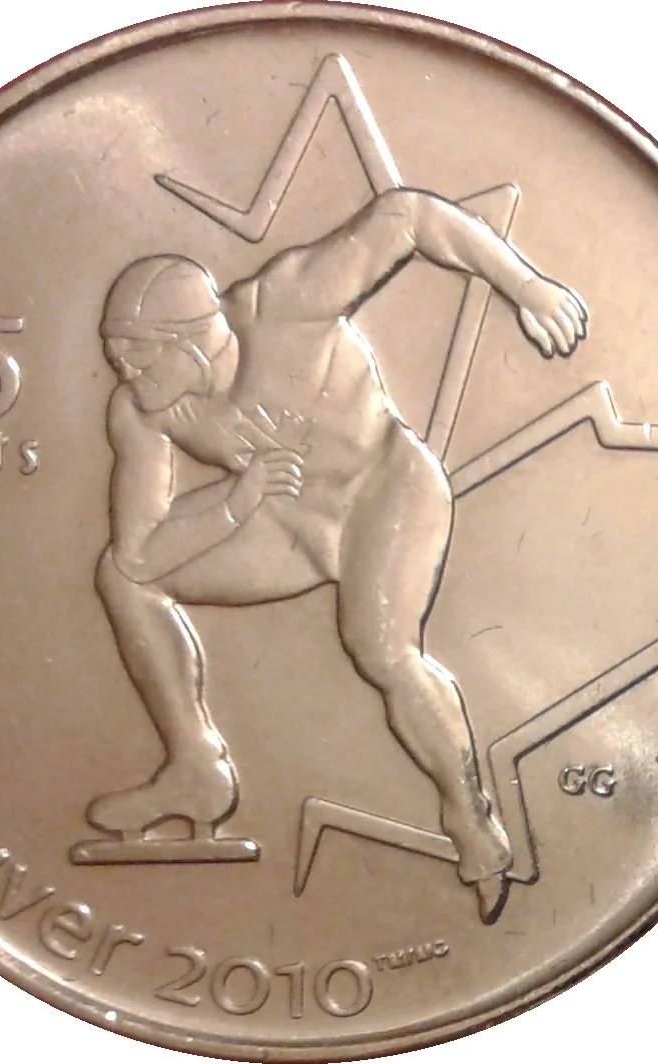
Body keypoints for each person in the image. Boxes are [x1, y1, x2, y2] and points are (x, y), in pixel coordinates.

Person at [88, 187, 587, 920]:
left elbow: (408, 215)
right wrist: (237, 503)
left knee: (380, 648)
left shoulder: (283, 304)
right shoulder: (141, 412)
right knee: (119, 578)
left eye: (137, 357)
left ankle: (470, 817)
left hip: (385, 490)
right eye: (115, 359)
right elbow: (139, 555)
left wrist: (526, 285)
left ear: (191, 341)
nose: (125, 375)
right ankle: (197, 769)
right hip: (283, 516)